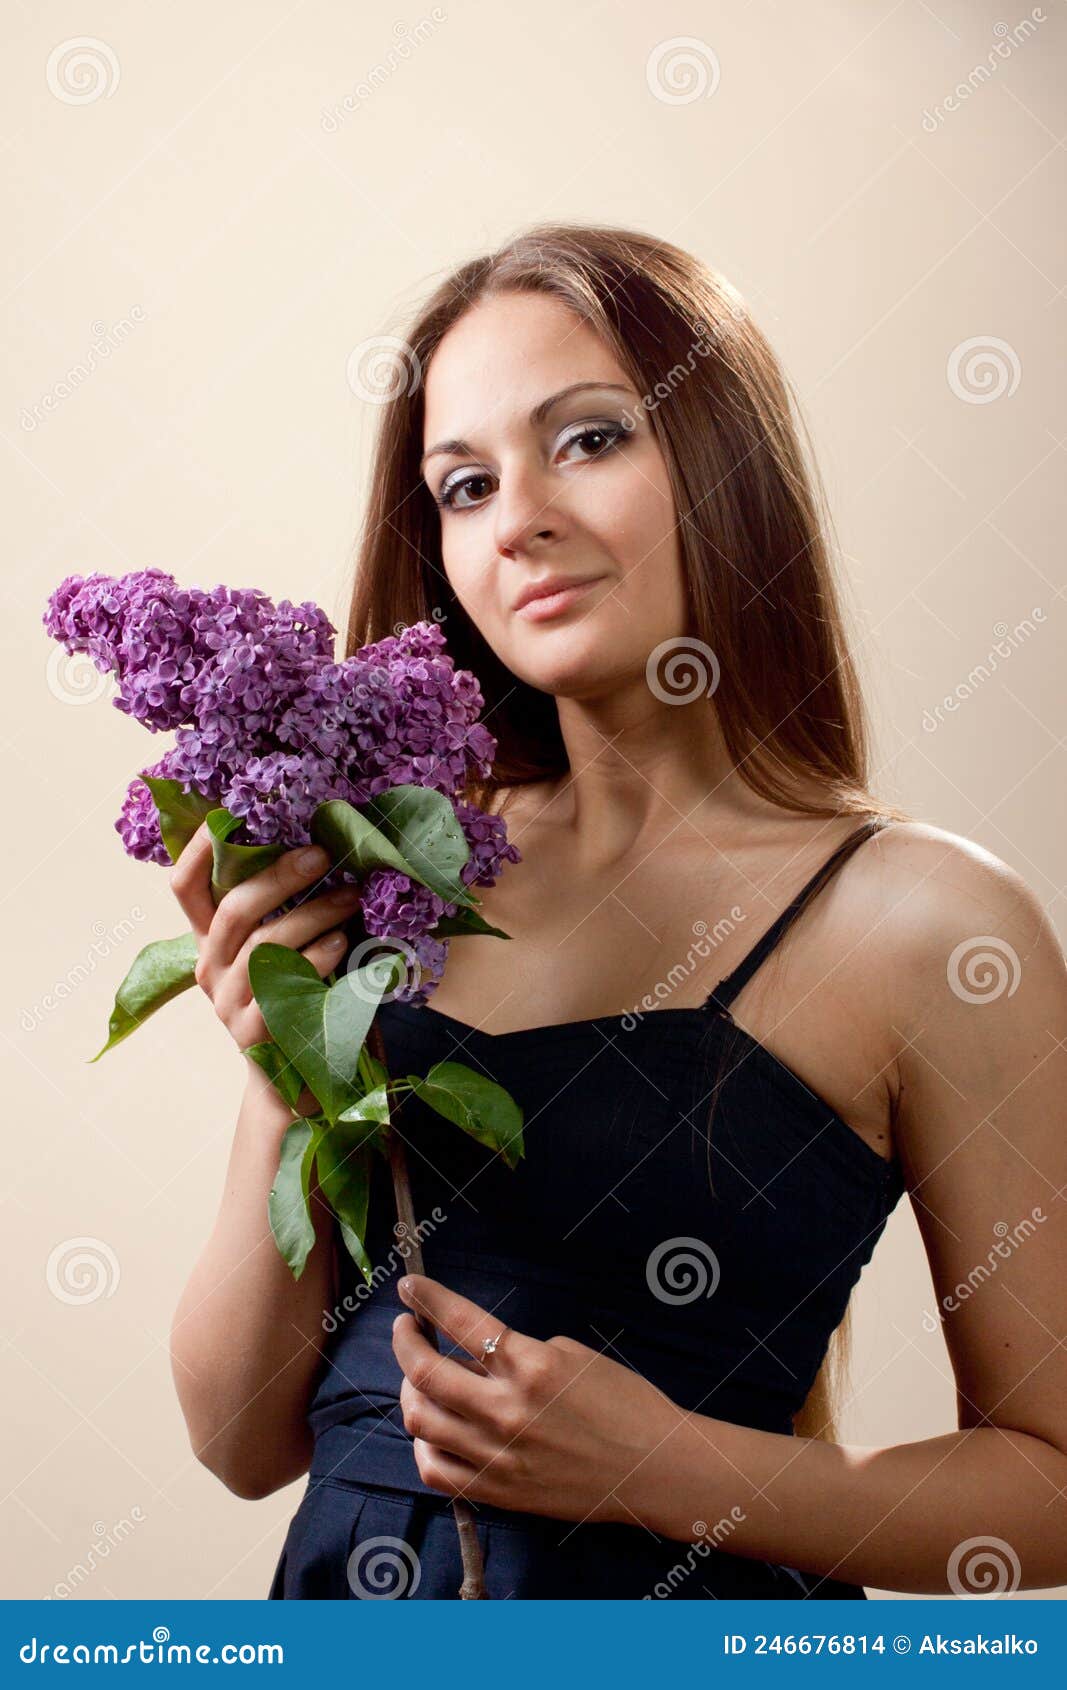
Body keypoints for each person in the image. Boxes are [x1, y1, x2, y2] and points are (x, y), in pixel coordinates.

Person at [170, 225, 1067, 1600]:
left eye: (587, 440)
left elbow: (1051, 1481)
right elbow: (237, 1439)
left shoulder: (929, 924)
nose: (515, 514)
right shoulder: (402, 870)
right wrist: (284, 1069)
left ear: (723, 458)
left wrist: (667, 1469)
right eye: (462, 484)